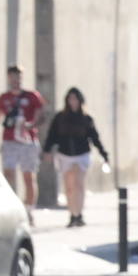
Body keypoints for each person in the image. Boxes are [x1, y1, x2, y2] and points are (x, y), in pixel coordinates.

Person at [40, 87, 108, 228]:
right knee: (69, 187)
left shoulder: (86, 118)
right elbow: (52, 135)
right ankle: (72, 214)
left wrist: (103, 153)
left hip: (81, 154)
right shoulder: (60, 117)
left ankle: (79, 214)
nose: (73, 101)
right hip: (64, 154)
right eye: (70, 98)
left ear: (80, 100)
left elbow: (95, 138)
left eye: (75, 98)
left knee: (79, 184)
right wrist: (47, 151)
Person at [0, 65, 47, 222]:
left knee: (28, 177)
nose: (15, 80)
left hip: (27, 141)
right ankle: (10, 207)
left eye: (18, 77)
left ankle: (28, 210)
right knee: (8, 175)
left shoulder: (32, 96)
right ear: (8, 78)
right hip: (9, 141)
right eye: (12, 77)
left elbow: (41, 116)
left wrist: (30, 124)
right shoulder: (4, 98)